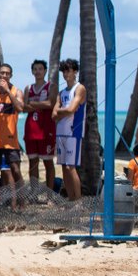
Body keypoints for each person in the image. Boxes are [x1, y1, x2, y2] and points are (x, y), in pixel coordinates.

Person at [0, 60, 25, 209]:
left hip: (11, 140)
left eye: (7, 74)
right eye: (2, 73)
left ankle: (21, 203)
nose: (4, 76)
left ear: (11, 76)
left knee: (15, 170)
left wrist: (8, 91)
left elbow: (21, 107)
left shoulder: (16, 91)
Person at [52, 58, 86, 201]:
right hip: (61, 132)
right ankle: (70, 198)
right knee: (64, 167)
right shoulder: (62, 92)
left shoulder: (79, 88)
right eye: (64, 71)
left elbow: (72, 109)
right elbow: (53, 114)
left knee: (71, 167)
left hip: (74, 132)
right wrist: (63, 111)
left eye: (69, 71)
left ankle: (77, 200)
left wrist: (62, 111)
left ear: (75, 72)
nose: (66, 74)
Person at [23, 60, 57, 192]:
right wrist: (39, 104)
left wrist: (34, 104)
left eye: (40, 69)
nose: (37, 71)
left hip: (46, 130)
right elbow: (24, 108)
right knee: (33, 163)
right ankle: (34, 194)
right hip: (31, 130)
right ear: (32, 71)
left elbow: (51, 104)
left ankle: (50, 195)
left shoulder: (50, 86)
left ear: (45, 71)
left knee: (48, 163)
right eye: (35, 69)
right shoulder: (28, 88)